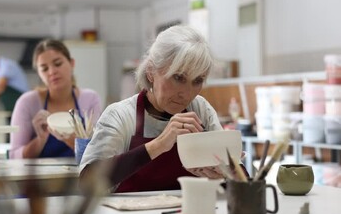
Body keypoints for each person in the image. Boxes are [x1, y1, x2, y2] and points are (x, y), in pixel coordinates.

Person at [80, 25, 242, 193]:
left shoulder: (200, 109)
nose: (186, 94)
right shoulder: (121, 115)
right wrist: (159, 144)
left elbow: (242, 178)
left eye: (197, 80)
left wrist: (225, 175)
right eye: (178, 77)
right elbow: (87, 183)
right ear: (151, 72)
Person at [9, 39, 102, 159]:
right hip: (40, 177)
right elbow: (13, 156)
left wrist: (73, 141)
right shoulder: (27, 102)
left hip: (79, 176)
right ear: (39, 73)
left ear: (72, 63)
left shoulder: (90, 99)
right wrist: (40, 140)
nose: (52, 72)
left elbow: (99, 153)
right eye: (44, 69)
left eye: (58, 64)